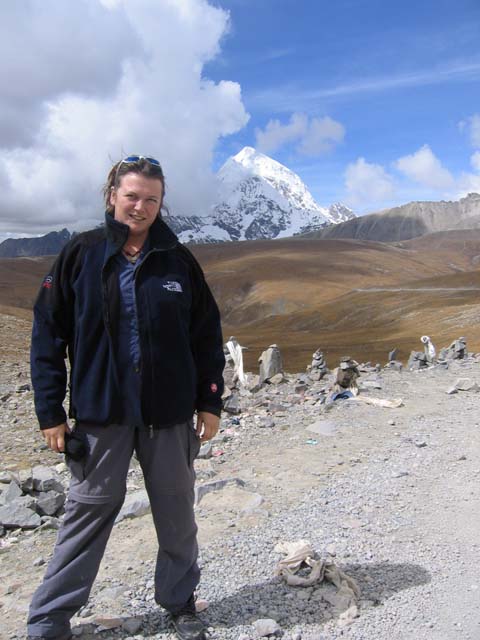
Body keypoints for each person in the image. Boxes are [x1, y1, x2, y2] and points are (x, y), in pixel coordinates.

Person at [27, 155, 225, 640]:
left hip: (169, 414)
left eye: (151, 199)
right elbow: (48, 333)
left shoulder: (178, 259)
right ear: (112, 195)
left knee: (177, 514)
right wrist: (50, 411)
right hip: (102, 415)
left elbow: (205, 333)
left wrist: (210, 400)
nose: (140, 206)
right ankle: (49, 620)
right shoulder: (81, 254)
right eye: (132, 196)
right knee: (86, 513)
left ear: (161, 203)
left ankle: (180, 603)